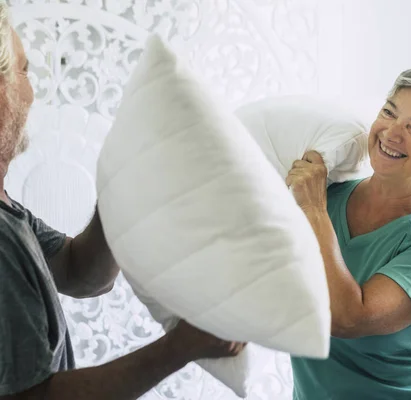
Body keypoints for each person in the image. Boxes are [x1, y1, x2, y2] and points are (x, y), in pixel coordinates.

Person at [0, 5, 245, 400]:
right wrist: (182, 346)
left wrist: (128, 174)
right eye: (24, 72)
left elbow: (81, 273)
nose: (32, 91)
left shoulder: (9, 213)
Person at [286, 60, 411, 399]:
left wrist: (314, 209)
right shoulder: (328, 194)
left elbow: (348, 319)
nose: (392, 133)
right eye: (390, 113)